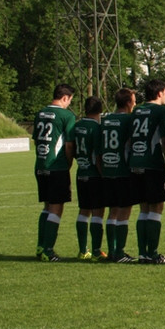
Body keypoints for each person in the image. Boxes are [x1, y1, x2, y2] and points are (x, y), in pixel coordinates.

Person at [128, 79, 165, 264]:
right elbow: (164, 140)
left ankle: (142, 252)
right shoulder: (161, 111)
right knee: (157, 207)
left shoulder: (137, 110)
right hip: (152, 163)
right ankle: (152, 252)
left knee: (143, 208)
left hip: (135, 162)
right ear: (160, 92)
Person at [32, 83, 76, 262]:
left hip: (40, 165)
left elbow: (36, 140)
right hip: (56, 166)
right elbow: (69, 145)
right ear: (65, 98)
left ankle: (41, 246)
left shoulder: (40, 114)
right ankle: (48, 250)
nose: (69, 104)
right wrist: (68, 163)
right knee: (56, 207)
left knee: (47, 206)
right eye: (70, 101)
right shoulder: (66, 115)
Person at [66, 95, 105, 261]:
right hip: (94, 175)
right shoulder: (97, 128)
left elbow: (71, 148)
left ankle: (83, 250)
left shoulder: (76, 126)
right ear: (100, 110)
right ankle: (96, 251)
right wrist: (103, 175)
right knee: (98, 212)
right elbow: (97, 155)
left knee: (83, 212)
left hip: (81, 173)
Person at [101, 88, 137, 263]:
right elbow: (131, 143)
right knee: (124, 211)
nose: (135, 103)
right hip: (123, 170)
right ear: (128, 102)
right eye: (134, 100)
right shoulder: (129, 120)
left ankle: (111, 250)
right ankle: (120, 251)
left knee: (112, 211)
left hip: (107, 170)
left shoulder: (106, 120)